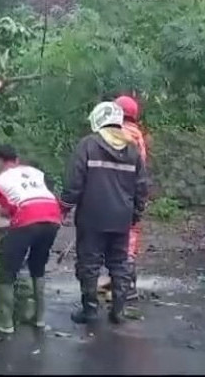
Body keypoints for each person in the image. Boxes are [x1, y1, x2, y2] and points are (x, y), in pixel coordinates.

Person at [60, 102, 147, 324]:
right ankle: (118, 311)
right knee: (119, 263)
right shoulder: (133, 151)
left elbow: (74, 182)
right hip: (122, 219)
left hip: (92, 218)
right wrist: (134, 215)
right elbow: (141, 188)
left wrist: (64, 207)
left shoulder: (88, 145)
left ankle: (89, 310)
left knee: (89, 264)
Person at [0, 145, 63, 333]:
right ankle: (39, 319)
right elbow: (26, 197)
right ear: (17, 160)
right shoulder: (35, 172)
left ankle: (5, 323)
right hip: (53, 217)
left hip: (28, 219)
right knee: (37, 268)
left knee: (7, 270)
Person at [115, 94, 148, 301]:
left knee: (113, 241)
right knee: (129, 239)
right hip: (132, 193)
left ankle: (122, 286)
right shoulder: (138, 135)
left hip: (114, 192)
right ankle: (128, 284)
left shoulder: (117, 133)